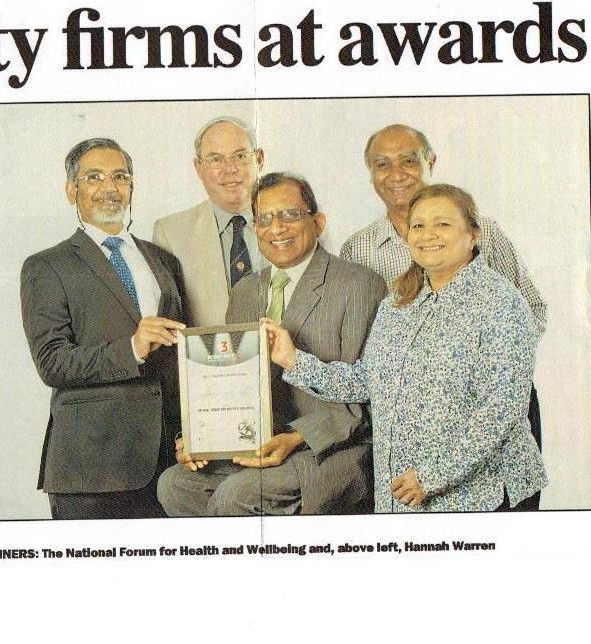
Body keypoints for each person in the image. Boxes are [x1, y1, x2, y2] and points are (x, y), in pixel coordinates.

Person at [265, 184, 547, 512]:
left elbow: (500, 411)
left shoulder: (501, 303)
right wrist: (292, 359)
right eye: (418, 225)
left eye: (443, 224)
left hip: (483, 497)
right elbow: (368, 381)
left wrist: (431, 477)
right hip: (405, 496)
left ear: (473, 235)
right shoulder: (398, 302)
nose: (428, 235)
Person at [339, 123, 547, 508]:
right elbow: (368, 368)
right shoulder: (362, 253)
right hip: (406, 447)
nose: (396, 174)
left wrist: (488, 369)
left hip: (488, 438)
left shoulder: (491, 258)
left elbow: (528, 314)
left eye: (408, 160)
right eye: (382, 164)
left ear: (430, 162)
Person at [157, 172, 386, 516]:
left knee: (235, 496)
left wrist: (295, 438)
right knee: (174, 485)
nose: (276, 228)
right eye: (264, 219)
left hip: (329, 446)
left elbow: (368, 394)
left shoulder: (359, 284)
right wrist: (200, 436)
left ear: (318, 222)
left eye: (290, 214)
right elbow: (229, 386)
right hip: (259, 441)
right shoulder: (245, 291)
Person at [20, 138, 188, 520]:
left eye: (120, 177)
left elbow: (180, 359)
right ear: (71, 190)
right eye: (94, 177)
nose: (109, 188)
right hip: (90, 470)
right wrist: (132, 348)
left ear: (132, 187)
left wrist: (191, 433)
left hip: (167, 464)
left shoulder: (164, 261)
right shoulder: (46, 266)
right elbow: (52, 363)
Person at [152, 116, 265, 326]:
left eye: (240, 156)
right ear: (198, 168)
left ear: (259, 160)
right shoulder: (170, 234)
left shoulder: (294, 223)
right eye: (215, 159)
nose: (230, 169)